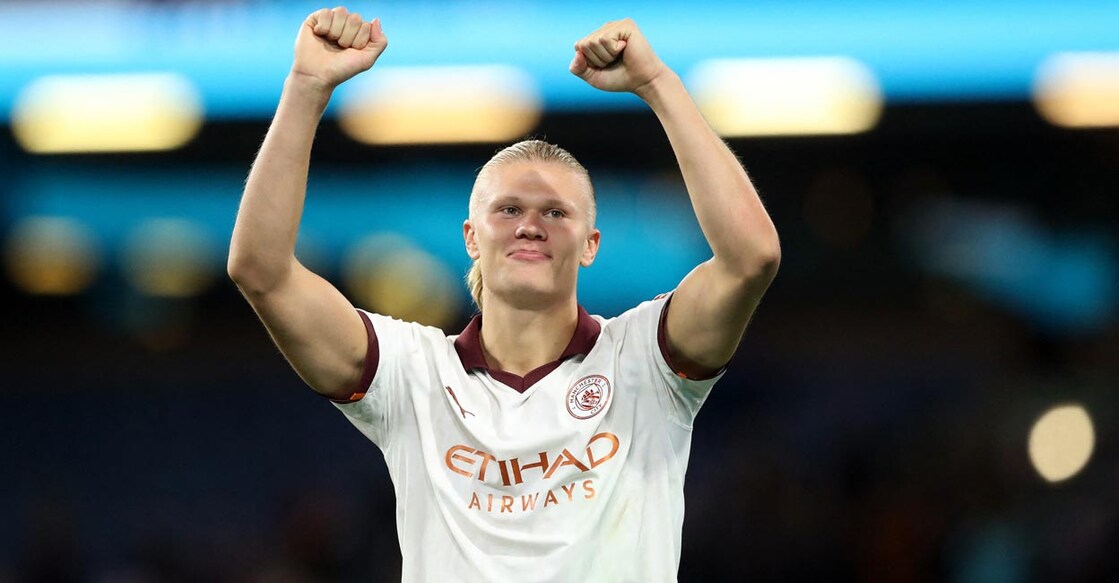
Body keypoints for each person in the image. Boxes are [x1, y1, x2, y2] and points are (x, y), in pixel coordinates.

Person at [228, 6, 780, 582]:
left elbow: (751, 258)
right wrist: (306, 86)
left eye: (555, 213)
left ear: (590, 244)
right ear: (471, 237)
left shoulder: (646, 361)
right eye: (509, 209)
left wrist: (659, 84)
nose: (530, 226)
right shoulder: (411, 375)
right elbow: (261, 271)